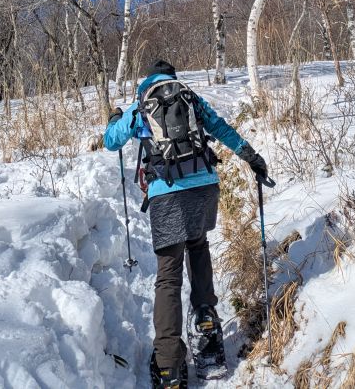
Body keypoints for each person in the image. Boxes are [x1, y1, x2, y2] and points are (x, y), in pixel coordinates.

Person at [104, 59, 269, 389]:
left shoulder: (142, 106)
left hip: (167, 196)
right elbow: (220, 127)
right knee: (198, 248)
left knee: (168, 275)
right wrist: (252, 157)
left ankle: (168, 366)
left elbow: (112, 142)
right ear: (173, 78)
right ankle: (207, 332)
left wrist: (116, 120)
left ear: (148, 80)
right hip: (205, 189)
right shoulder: (189, 98)